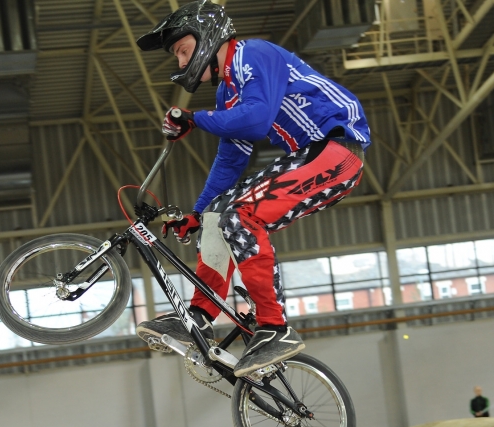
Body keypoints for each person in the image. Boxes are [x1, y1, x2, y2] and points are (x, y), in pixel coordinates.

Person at [134, 0, 370, 378]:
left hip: (338, 152)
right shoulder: (229, 93)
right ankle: (199, 316)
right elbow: (230, 160)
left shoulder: (252, 55)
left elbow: (257, 119)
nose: (180, 63)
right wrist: (198, 213)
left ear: (206, 36)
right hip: (312, 156)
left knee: (239, 214)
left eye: (182, 50)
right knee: (216, 217)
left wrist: (196, 119)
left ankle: (275, 328)